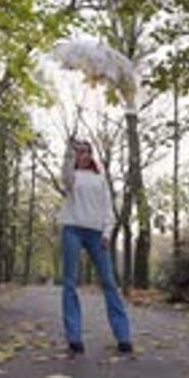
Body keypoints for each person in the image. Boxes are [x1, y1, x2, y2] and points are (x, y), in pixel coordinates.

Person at [57, 137, 133, 358]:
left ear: (91, 155)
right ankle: (74, 339)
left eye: (86, 152)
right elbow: (66, 177)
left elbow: (108, 208)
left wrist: (107, 233)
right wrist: (67, 151)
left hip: (96, 233)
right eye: (78, 152)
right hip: (72, 229)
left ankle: (124, 337)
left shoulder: (100, 180)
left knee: (109, 281)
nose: (82, 155)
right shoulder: (71, 177)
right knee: (70, 283)